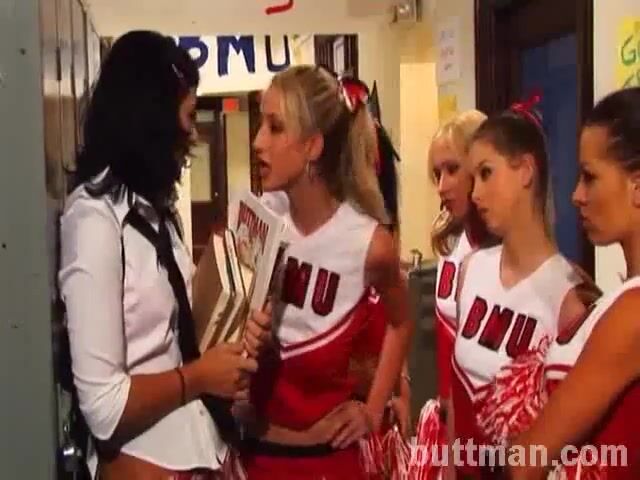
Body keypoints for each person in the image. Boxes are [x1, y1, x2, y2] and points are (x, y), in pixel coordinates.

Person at [59, 31, 271, 480]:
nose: (193, 133)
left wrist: (236, 330)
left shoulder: (158, 212)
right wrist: (200, 377)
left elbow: (175, 335)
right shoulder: (94, 220)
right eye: (189, 116)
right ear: (152, 117)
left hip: (201, 451)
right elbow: (104, 408)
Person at [241, 65, 414, 480]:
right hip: (254, 456)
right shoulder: (254, 218)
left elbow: (403, 320)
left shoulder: (368, 243)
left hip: (330, 463)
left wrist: (373, 410)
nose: (258, 141)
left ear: (312, 146)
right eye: (261, 124)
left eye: (275, 127)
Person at [450, 101, 589, 478]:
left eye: (486, 173)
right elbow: (455, 397)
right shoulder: (470, 270)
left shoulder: (569, 297)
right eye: (473, 179)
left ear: (526, 170)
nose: (475, 194)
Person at [509, 87, 640, 479]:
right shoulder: (616, 300)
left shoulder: (633, 312)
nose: (576, 195)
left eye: (590, 177)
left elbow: (529, 460)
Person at [409, 110, 489, 479]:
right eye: (437, 174)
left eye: (453, 170)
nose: (442, 186)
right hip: (445, 429)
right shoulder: (451, 248)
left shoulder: (505, 256)